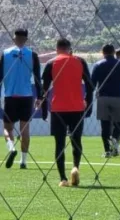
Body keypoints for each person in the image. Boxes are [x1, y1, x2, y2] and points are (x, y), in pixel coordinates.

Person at [41, 38, 94, 187]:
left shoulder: (51, 63)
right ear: (70, 49)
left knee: (59, 143)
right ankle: (75, 168)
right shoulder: (80, 62)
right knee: (76, 140)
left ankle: (63, 178)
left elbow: (44, 90)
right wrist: (87, 103)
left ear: (57, 49)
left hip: (58, 109)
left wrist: (44, 110)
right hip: (77, 108)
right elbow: (90, 86)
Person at [1, 28, 42, 169]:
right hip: (26, 96)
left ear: (14, 38)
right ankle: (23, 161)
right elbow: (37, 78)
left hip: (10, 96)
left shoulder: (5, 54)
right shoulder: (32, 55)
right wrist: (40, 96)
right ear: (26, 39)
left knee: (7, 128)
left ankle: (11, 148)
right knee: (25, 129)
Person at [91, 44, 120, 158]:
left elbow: (91, 83)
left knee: (105, 124)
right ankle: (115, 138)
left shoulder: (98, 65)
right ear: (113, 52)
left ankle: (107, 151)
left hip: (103, 97)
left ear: (103, 52)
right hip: (117, 97)